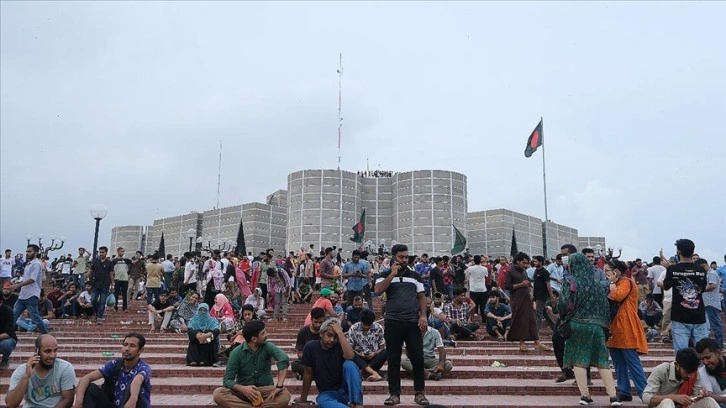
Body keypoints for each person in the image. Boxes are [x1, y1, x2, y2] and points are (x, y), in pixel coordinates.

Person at [560, 253, 621, 406]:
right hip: (597, 327)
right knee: (602, 361)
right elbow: (605, 306)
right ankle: (613, 396)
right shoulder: (597, 285)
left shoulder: (570, 282)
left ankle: (585, 396)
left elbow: (563, 304)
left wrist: (561, 316)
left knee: (579, 361)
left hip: (576, 325)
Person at [374, 243, 430, 406]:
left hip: (412, 322)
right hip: (393, 322)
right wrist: (392, 274)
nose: (405, 260)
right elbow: (377, 291)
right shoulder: (384, 274)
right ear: (393, 257)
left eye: (406, 257)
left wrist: (423, 316)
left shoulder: (415, 276)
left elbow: (421, 297)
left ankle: (419, 393)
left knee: (417, 358)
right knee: (393, 359)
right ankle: (394, 394)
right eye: (401, 257)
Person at [212, 320, 291, 408]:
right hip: (243, 392)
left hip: (266, 391)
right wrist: (243, 389)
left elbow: (283, 358)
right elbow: (227, 381)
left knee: (285, 394)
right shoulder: (236, 353)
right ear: (254, 339)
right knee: (218, 394)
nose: (266, 335)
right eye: (263, 333)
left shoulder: (267, 346)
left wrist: (279, 386)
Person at [605, 259, 648, 402]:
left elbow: (616, 296)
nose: (605, 274)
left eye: (607, 271)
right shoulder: (618, 283)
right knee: (618, 363)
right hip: (614, 327)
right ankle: (624, 390)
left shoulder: (626, 282)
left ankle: (644, 392)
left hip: (626, 326)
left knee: (632, 362)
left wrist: (611, 284)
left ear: (616, 272)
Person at [296, 318, 363, 408]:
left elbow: (350, 356)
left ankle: (357, 404)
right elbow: (308, 373)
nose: (332, 340)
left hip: (346, 391)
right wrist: (303, 398)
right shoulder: (310, 347)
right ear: (321, 333)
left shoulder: (340, 345)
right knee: (322, 401)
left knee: (350, 365)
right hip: (327, 393)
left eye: (335, 337)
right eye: (329, 335)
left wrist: (340, 333)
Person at [74, 333, 151, 408]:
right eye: (125, 344)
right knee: (90, 388)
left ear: (140, 350)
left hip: (133, 405)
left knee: (134, 391)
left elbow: (137, 381)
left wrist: (133, 399)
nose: (127, 349)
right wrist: (78, 402)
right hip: (113, 405)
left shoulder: (143, 367)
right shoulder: (115, 364)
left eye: (132, 346)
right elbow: (86, 378)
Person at [663, 239, 709, 352]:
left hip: (679, 317)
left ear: (678, 252)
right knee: (703, 352)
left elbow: (666, 286)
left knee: (682, 354)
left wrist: (669, 270)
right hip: (699, 315)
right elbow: (703, 288)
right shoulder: (700, 269)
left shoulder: (672, 269)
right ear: (693, 251)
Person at [6, 334, 76, 408]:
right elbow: (10, 404)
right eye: (47, 351)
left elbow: (68, 400)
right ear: (37, 351)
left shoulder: (65, 368)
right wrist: (26, 376)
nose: (52, 355)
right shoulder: (21, 371)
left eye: (55, 350)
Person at [642, 347, 719, 408]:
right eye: (687, 372)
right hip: (661, 406)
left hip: (683, 406)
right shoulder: (661, 370)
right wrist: (674, 398)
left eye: (692, 372)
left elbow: (695, 396)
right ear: (677, 365)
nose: (690, 376)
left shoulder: (694, 372)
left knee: (709, 401)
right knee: (668, 402)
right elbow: (646, 397)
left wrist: (700, 396)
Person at [504, 252, 549, 352]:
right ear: (517, 261)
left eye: (526, 263)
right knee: (521, 321)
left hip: (527, 299)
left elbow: (528, 282)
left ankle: (537, 342)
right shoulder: (510, 272)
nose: (525, 265)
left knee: (532, 320)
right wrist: (521, 285)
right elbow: (507, 286)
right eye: (523, 263)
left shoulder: (524, 271)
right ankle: (522, 343)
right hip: (517, 300)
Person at [10, 244, 49, 334]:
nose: (27, 253)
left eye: (30, 251)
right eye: (27, 251)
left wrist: (17, 286)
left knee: (35, 317)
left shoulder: (36, 264)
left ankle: (46, 335)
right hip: (23, 295)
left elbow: (32, 279)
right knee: (13, 316)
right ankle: (6, 334)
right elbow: (26, 279)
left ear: (36, 252)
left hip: (31, 295)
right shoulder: (29, 264)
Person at [346, 308, 386, 381]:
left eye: (369, 325)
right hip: (359, 358)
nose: (366, 327)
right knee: (350, 354)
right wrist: (359, 354)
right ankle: (370, 371)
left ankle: (363, 371)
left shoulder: (379, 328)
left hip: (374, 360)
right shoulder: (353, 328)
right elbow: (350, 348)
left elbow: (382, 347)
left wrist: (374, 353)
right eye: (364, 325)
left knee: (386, 352)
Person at [291, 307, 325, 379]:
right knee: (294, 365)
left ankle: (307, 375)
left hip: (323, 360)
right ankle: (317, 375)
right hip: (308, 361)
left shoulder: (326, 331)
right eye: (316, 322)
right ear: (311, 319)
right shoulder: (303, 331)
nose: (318, 325)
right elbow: (299, 353)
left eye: (320, 322)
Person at [695, 338, 726, 407]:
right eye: (702, 359)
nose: (705, 362)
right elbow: (709, 396)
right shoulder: (702, 372)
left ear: (718, 353)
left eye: (708, 357)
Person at [88, 246, 114, 325]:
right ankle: (96, 313)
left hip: (105, 285)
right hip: (96, 284)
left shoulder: (109, 263)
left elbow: (111, 274)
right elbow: (91, 271)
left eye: (103, 252)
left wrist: (112, 284)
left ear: (106, 253)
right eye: (100, 252)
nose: (101, 254)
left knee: (102, 302)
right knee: (93, 300)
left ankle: (99, 317)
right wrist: (89, 279)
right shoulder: (95, 261)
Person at [532, 255, 555, 331]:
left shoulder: (545, 272)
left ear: (541, 262)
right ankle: (554, 327)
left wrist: (551, 296)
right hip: (536, 295)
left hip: (542, 295)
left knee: (538, 313)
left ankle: (537, 330)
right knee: (544, 313)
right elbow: (534, 283)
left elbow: (548, 284)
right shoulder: (536, 271)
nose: (534, 263)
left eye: (536, 261)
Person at [0, 292, 17, 369]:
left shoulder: (7, 310)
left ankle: (5, 359)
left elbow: (9, 333)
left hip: (5, 339)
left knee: (6, 345)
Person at [112, 248, 132, 313]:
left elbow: (133, 263)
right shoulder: (114, 261)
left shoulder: (126, 260)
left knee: (124, 294)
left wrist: (138, 258)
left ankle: (125, 308)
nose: (122, 252)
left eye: (123, 251)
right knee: (116, 294)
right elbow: (111, 271)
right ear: (118, 252)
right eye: (121, 251)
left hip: (125, 279)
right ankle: (115, 307)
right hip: (117, 279)